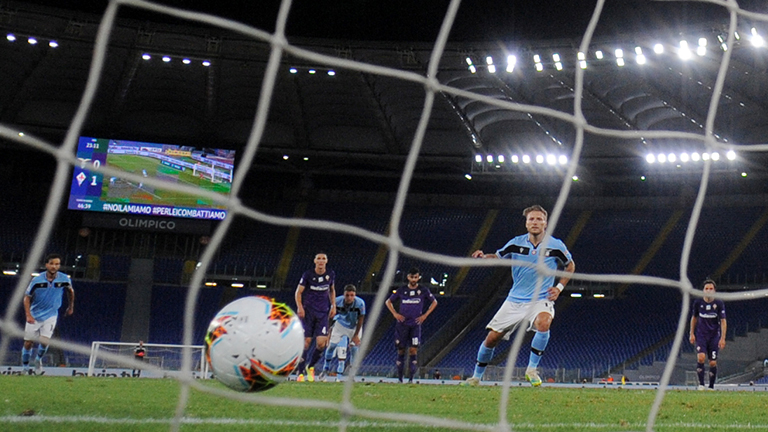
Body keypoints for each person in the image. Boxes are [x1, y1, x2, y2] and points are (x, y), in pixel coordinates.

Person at [463, 205, 575, 387]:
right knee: (492, 338)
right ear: (526, 223)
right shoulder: (516, 243)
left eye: (539, 219)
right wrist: (484, 257)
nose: (535, 222)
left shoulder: (556, 245)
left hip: (541, 299)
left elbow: (570, 266)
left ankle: (531, 369)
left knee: (544, 322)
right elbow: (498, 256)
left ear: (546, 223)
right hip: (515, 300)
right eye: (531, 219)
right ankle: (476, 377)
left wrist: (559, 287)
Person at [22, 253, 75, 375]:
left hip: (51, 315)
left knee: (45, 341)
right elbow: (26, 297)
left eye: (57, 264)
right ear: (46, 265)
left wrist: (70, 306)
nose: (54, 266)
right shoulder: (37, 280)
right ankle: (25, 368)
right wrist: (28, 315)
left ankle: (38, 360)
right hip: (35, 315)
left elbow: (71, 291)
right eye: (51, 264)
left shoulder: (64, 279)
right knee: (28, 343)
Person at [385, 267, 438, 383]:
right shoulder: (401, 290)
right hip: (402, 325)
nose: (413, 279)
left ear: (419, 277)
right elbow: (388, 302)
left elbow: (434, 302)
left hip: (415, 325)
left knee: (413, 350)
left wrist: (425, 315)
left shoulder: (423, 290)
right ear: (408, 277)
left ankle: (411, 379)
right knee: (401, 350)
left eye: (416, 277)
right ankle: (400, 379)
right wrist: (395, 314)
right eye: (411, 277)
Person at [295, 252, 336, 381]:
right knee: (306, 342)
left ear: (326, 261)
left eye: (323, 258)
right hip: (309, 312)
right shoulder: (308, 275)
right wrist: (300, 306)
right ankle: (300, 373)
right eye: (318, 258)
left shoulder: (330, 274)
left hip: (323, 313)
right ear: (315, 261)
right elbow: (299, 292)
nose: (321, 261)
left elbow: (332, 290)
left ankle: (310, 367)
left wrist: (333, 305)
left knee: (321, 344)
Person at [319, 284, 366, 382]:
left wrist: (356, 335)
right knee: (331, 346)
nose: (349, 297)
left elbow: (361, 319)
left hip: (354, 326)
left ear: (355, 295)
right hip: (340, 325)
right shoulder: (337, 301)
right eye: (347, 295)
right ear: (344, 295)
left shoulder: (360, 303)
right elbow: (330, 316)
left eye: (352, 295)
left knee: (354, 349)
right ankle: (325, 369)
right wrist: (328, 332)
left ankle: (351, 376)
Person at [689, 279, 727, 391]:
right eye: (706, 288)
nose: (708, 291)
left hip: (714, 336)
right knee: (701, 358)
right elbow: (694, 318)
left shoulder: (719, 303)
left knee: (712, 362)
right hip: (701, 335)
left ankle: (711, 386)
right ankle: (701, 384)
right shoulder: (698, 303)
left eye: (711, 289)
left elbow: (723, 321)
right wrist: (691, 333)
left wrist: (723, 338)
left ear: (714, 291)